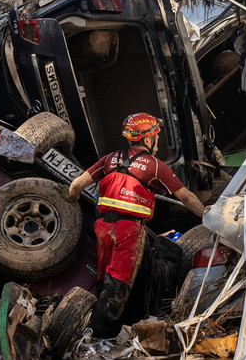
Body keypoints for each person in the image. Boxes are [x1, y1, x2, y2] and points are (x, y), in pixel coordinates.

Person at [67, 113, 206, 335]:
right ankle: (99, 336)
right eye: (156, 136)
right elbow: (187, 198)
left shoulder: (109, 159)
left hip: (102, 226)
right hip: (128, 230)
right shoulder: (155, 166)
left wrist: (71, 201)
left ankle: (120, 320)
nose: (158, 141)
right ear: (147, 139)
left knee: (105, 277)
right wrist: (207, 215)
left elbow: (75, 187)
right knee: (118, 284)